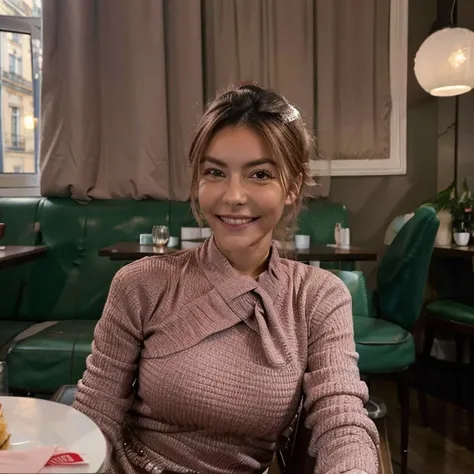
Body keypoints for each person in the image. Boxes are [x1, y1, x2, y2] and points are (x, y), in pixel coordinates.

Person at [73, 84, 379, 474]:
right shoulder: (140, 283)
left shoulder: (318, 296)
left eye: (260, 174)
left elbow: (342, 418)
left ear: (293, 187)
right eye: (215, 172)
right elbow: (96, 410)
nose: (233, 195)